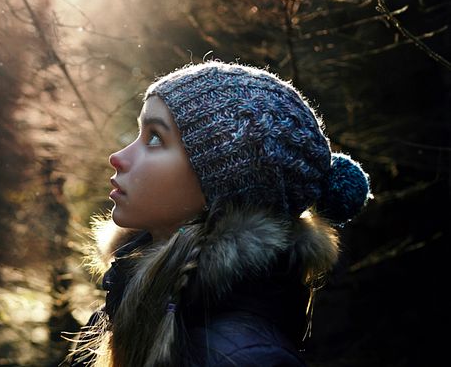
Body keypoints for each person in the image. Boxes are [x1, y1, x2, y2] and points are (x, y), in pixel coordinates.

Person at [63, 61, 371, 367]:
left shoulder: (246, 358)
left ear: (226, 186)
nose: (118, 157)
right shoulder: (128, 300)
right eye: (138, 132)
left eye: (155, 138)